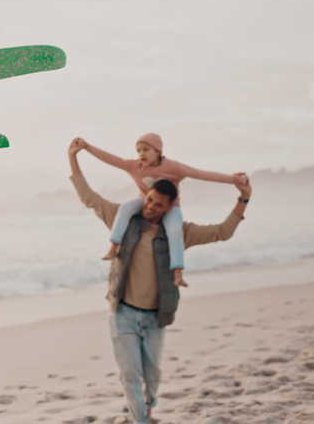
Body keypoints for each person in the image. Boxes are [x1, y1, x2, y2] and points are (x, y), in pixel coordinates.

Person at [68, 137, 251, 424]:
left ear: (169, 207)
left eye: (158, 204)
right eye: (149, 199)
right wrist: (74, 158)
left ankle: (149, 404)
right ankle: (140, 419)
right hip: (123, 314)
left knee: (151, 375)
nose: (151, 206)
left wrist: (243, 198)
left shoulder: (180, 232)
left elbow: (222, 232)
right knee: (129, 375)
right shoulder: (122, 218)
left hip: (155, 317)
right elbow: (88, 197)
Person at [80, 133, 247, 287]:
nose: (141, 154)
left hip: (171, 207)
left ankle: (178, 273)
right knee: (124, 208)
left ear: (158, 151)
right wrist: (86, 146)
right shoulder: (135, 166)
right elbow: (111, 159)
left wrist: (234, 179)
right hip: (144, 200)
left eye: (146, 149)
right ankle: (113, 247)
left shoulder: (174, 168)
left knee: (174, 231)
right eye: (138, 150)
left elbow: (201, 174)